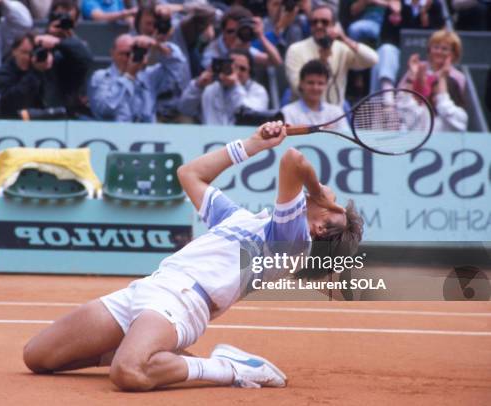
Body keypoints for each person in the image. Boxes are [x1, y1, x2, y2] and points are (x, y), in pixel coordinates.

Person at [22, 120, 363, 391]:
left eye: (332, 211)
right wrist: (253, 144)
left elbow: (294, 160)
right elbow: (189, 174)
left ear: (318, 230)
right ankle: (149, 350)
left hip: (182, 302)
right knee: (38, 357)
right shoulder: (245, 221)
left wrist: (319, 191)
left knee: (129, 372)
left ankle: (228, 368)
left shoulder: (291, 241)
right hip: (147, 288)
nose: (331, 201)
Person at [285, 4, 378, 108]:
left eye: (324, 22)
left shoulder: (342, 47)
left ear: (334, 25)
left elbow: (373, 59)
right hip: (305, 114)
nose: (319, 26)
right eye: (314, 22)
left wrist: (344, 39)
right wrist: (322, 62)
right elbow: (298, 88)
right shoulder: (295, 49)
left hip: (336, 113)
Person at [88, 33, 187, 122]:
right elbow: (103, 109)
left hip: (147, 136)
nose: (130, 58)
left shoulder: (149, 76)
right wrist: (128, 76)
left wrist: (159, 46)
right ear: (112, 53)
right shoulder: (101, 77)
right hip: (112, 137)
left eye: (133, 53)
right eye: (125, 54)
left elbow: (178, 67)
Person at [0, 32, 92, 117]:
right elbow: (12, 102)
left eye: (32, 53)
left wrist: (58, 43)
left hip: (59, 120)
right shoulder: (5, 72)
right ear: (14, 51)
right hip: (20, 124)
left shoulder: (55, 65)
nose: (29, 58)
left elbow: (85, 59)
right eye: (24, 53)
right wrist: (35, 72)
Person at [369, 0, 444, 93]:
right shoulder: (396, 3)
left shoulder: (434, 5)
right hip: (398, 54)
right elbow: (385, 37)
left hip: (425, 56)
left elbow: (438, 37)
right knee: (385, 50)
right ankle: (387, 94)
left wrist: (424, 16)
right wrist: (396, 16)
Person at [179, 50, 269, 125]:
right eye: (231, 67)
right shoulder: (209, 86)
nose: (236, 72)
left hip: (242, 141)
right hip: (208, 139)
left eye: (242, 69)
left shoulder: (258, 90)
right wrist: (198, 86)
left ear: (250, 72)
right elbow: (185, 109)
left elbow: (250, 116)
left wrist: (235, 86)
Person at [398, 53, 468, 132]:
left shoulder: (460, 116)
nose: (434, 99)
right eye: (433, 94)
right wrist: (411, 77)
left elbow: (445, 107)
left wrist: (442, 78)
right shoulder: (424, 113)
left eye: (437, 95)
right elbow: (405, 105)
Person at [201, 5, 283, 69]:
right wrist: (234, 52)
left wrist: (261, 36)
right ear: (223, 32)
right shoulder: (211, 52)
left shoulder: (244, 47)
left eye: (239, 31)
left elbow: (276, 61)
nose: (235, 37)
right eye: (231, 31)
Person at [396, 29, 466, 102]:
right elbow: (399, 96)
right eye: (436, 47)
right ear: (429, 49)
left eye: (444, 49)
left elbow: (455, 104)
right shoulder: (418, 67)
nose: (439, 51)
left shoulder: (459, 77)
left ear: (454, 53)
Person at [281, 59, 348, 129]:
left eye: (320, 83)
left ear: (326, 85)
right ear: (301, 83)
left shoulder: (336, 112)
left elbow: (347, 138)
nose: (315, 88)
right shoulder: (287, 113)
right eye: (310, 83)